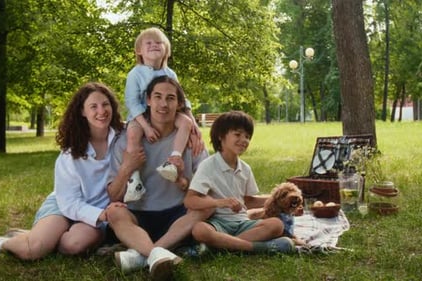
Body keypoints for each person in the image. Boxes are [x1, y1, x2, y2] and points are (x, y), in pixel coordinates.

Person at [0, 82, 125, 260]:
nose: (101, 111)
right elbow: (69, 202)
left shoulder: (124, 136)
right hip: (65, 204)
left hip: (98, 211)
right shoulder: (71, 153)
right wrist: (100, 214)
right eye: (93, 106)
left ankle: (37, 236)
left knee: (74, 245)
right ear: (82, 112)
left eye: (105, 104)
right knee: (33, 250)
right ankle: (1, 242)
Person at [105, 75, 210, 280]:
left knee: (207, 206)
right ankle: (158, 254)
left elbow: (204, 190)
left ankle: (145, 254)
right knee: (114, 214)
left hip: (177, 215)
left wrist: (182, 182)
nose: (164, 104)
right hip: (138, 214)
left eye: (170, 98)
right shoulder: (127, 140)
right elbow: (113, 195)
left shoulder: (191, 141)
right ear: (148, 101)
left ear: (179, 104)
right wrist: (127, 167)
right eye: (158, 96)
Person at [183, 111, 295, 254]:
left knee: (277, 225)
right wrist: (220, 202)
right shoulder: (208, 165)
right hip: (218, 223)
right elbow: (190, 200)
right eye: (238, 134)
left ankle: (220, 247)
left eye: (247, 136)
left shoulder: (245, 168)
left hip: (242, 222)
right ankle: (259, 248)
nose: (244, 140)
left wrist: (281, 200)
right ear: (221, 136)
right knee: (199, 230)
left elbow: (248, 201)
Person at [122, 27, 203, 203]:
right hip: (141, 117)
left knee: (186, 123)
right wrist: (146, 126)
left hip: (166, 116)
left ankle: (173, 160)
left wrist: (192, 120)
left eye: (158, 42)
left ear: (166, 48)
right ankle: (134, 180)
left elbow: (182, 99)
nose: (154, 45)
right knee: (132, 134)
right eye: (148, 43)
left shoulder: (169, 73)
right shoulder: (135, 73)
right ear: (139, 51)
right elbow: (132, 102)